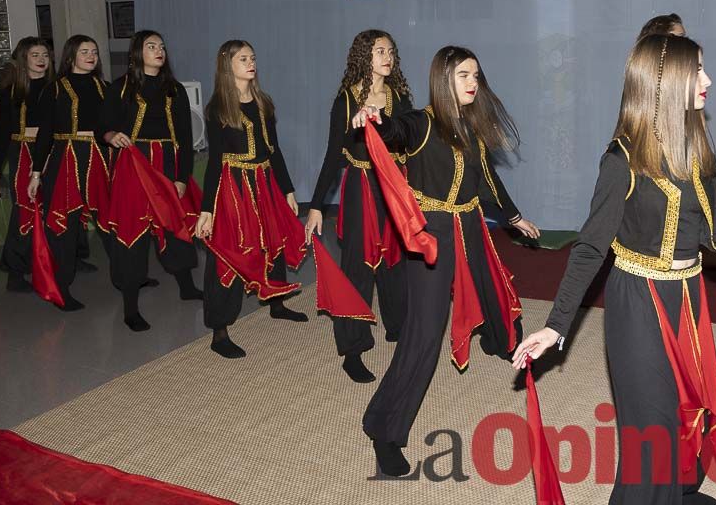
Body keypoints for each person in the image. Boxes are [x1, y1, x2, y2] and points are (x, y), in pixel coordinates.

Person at [513, 34, 716, 504]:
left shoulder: (698, 150)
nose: (708, 80)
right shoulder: (622, 160)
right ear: (667, 84)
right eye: (699, 72)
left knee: (684, 416)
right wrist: (555, 326)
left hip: (687, 301)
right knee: (651, 434)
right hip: (638, 305)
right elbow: (590, 248)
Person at [355, 45, 541, 477]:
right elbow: (391, 132)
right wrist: (372, 119)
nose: (473, 81)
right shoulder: (421, 123)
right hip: (433, 237)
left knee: (495, 286)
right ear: (443, 79)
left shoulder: (471, 124)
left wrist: (514, 217)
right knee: (424, 335)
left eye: (475, 73)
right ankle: (384, 428)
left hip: (471, 226)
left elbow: (487, 179)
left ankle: (502, 342)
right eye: (462, 75)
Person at [305, 30, 412, 383]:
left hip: (393, 189)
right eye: (380, 50)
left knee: (396, 263)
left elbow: (410, 142)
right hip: (360, 188)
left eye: (391, 51)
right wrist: (317, 205)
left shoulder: (398, 98)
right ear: (363, 56)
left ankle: (398, 330)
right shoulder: (346, 101)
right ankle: (352, 349)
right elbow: (333, 155)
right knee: (357, 266)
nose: (388, 56)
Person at [194, 40, 308, 359]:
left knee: (273, 242)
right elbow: (215, 160)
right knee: (229, 252)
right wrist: (207, 210)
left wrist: (287, 190)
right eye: (243, 58)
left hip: (264, 182)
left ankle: (276, 304)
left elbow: (274, 150)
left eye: (252, 57)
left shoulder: (263, 103)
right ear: (227, 66)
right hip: (232, 187)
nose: (250, 62)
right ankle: (219, 331)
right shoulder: (218, 108)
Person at [98, 31, 203, 332]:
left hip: (168, 164)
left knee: (177, 227)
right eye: (151, 46)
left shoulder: (175, 90)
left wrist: (182, 177)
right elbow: (102, 128)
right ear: (137, 53)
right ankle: (131, 307)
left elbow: (184, 137)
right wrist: (110, 136)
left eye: (162, 46)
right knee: (134, 234)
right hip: (134, 165)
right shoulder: (120, 88)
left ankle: (186, 287)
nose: (159, 50)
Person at [27, 35, 111, 311]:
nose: (91, 55)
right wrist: (36, 173)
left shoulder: (105, 87)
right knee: (64, 228)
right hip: (66, 160)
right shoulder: (54, 89)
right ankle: (60, 289)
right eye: (84, 51)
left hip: (100, 159)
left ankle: (129, 277)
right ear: (71, 56)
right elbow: (44, 135)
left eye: (95, 51)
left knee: (112, 220)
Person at [0, 37, 53, 292]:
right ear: (23, 58)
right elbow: (3, 132)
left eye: (45, 55)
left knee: (50, 207)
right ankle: (15, 272)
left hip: (51, 151)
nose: (41, 60)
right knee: (24, 208)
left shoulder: (55, 88)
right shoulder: (12, 90)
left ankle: (46, 260)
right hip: (23, 151)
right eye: (35, 55)